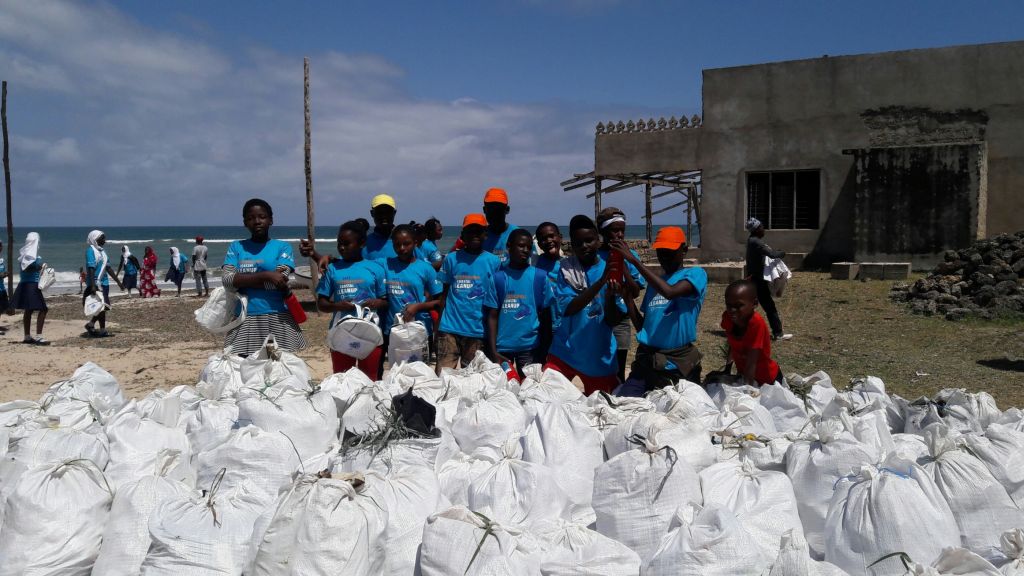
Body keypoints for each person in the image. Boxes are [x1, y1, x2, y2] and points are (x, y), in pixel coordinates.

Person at [613, 227, 707, 396]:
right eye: (661, 252)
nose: (664, 257)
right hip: (647, 362)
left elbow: (670, 292)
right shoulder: (655, 285)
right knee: (625, 404)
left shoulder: (695, 274)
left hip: (677, 366)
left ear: (684, 250)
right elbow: (644, 328)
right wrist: (628, 299)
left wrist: (634, 261)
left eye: (670, 252)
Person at [544, 215, 622, 395]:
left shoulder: (611, 268)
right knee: (549, 400)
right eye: (578, 243)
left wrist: (609, 296)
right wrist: (600, 283)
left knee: (599, 412)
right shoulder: (566, 269)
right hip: (565, 351)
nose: (584, 246)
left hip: (598, 355)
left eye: (589, 241)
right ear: (572, 244)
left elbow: (612, 320)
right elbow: (569, 308)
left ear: (598, 240)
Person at [222, 198, 306, 356]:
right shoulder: (236, 246)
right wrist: (267, 275)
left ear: (271, 220)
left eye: (262, 217)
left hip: (278, 317)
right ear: (245, 222)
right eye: (251, 218)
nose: (257, 221)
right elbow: (227, 281)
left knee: (278, 373)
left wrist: (241, 281)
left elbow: (280, 281)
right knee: (246, 373)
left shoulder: (282, 247)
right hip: (244, 319)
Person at [316, 220, 388, 378]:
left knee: (369, 380)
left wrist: (377, 302)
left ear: (362, 243)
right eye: (339, 244)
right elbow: (321, 303)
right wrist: (338, 306)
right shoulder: (332, 269)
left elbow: (386, 300)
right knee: (342, 380)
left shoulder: (375, 268)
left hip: (370, 332)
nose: (342, 248)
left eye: (347, 244)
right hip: (341, 333)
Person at [435, 213, 500, 373]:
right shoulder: (451, 259)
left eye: (479, 231)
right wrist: (438, 327)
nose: (474, 235)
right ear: (462, 235)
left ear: (485, 235)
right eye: (470, 231)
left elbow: (496, 302)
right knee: (442, 377)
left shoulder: (494, 262)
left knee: (471, 381)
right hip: (449, 329)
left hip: (478, 331)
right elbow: (444, 294)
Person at [485, 229, 554, 376]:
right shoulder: (498, 278)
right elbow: (492, 316)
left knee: (529, 390)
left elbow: (546, 317)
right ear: (509, 246)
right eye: (521, 246)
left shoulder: (540, 277)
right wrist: (492, 351)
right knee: (504, 391)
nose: (525, 250)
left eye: (529, 247)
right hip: (502, 348)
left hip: (530, 347)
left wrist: (544, 351)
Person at [596, 207, 647, 382]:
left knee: (618, 363)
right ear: (603, 231)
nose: (619, 235)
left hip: (621, 318)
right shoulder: (595, 256)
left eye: (622, 231)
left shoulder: (630, 255)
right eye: (614, 230)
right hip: (598, 317)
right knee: (598, 362)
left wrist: (622, 263)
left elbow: (635, 292)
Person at [384, 224, 442, 372]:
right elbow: (359, 263)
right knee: (396, 374)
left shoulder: (426, 268)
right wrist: (327, 258)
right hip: (393, 331)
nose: (402, 248)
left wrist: (418, 306)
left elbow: (440, 301)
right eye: (397, 244)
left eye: (406, 243)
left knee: (419, 374)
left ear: (415, 243)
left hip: (420, 331)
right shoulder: (386, 264)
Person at [721, 279, 784, 385]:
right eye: (729, 305)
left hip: (767, 380)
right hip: (745, 375)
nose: (732, 310)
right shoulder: (728, 318)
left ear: (754, 303)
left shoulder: (756, 323)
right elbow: (732, 344)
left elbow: (752, 360)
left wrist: (747, 391)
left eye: (739, 305)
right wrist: (727, 369)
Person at [745, 218, 791, 340]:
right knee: (769, 307)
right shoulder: (756, 242)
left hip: (754, 279)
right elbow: (772, 254)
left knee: (751, 305)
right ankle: (778, 333)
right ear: (756, 229)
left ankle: (743, 329)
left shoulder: (752, 241)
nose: (763, 229)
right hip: (757, 280)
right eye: (761, 227)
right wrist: (782, 253)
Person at [84, 230, 123, 338]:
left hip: (104, 283)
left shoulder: (103, 252)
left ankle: (93, 325)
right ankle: (101, 329)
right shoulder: (90, 251)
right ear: (95, 239)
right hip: (96, 283)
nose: (104, 240)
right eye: (102, 238)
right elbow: (91, 269)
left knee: (103, 307)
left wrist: (118, 282)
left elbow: (108, 268)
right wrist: (92, 285)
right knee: (102, 306)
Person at [11, 232, 48, 345]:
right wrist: (40, 266)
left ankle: (27, 336)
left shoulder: (25, 253)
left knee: (29, 310)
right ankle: (39, 337)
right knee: (43, 309)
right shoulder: (29, 254)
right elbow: (27, 268)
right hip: (31, 285)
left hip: (25, 284)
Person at [481, 188, 518, 263]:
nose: (495, 213)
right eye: (491, 209)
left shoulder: (517, 235)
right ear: (484, 210)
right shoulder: (478, 237)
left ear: (507, 210)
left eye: (499, 209)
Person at [364, 194, 398, 261]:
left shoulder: (407, 242)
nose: (384, 216)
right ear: (372, 213)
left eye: (388, 212)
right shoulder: (363, 243)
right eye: (379, 212)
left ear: (394, 213)